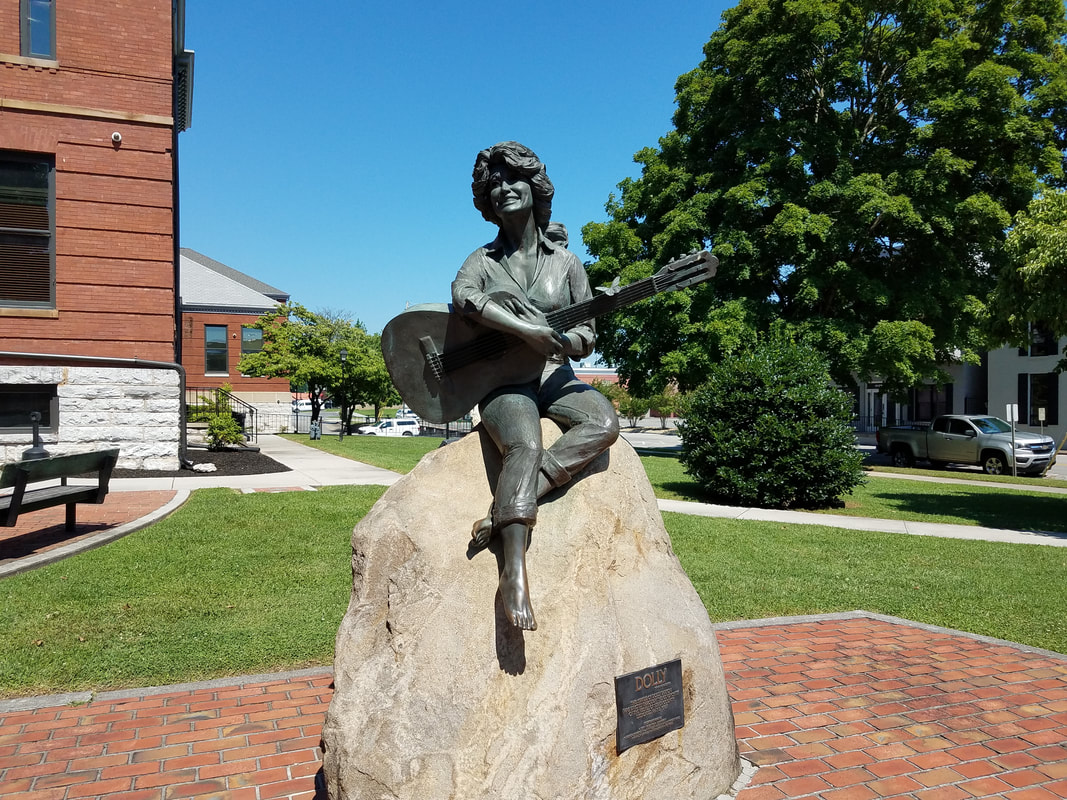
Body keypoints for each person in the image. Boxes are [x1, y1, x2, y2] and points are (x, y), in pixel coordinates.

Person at [451, 142, 619, 631]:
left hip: (552, 374)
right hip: (502, 380)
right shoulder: (482, 260)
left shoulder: (567, 264)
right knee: (524, 444)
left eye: (513, 179)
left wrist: (563, 338)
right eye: (494, 183)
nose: (504, 188)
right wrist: (525, 329)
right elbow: (464, 297)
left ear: (534, 187)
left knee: (603, 422)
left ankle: (506, 510)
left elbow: (587, 336)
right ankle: (514, 572)